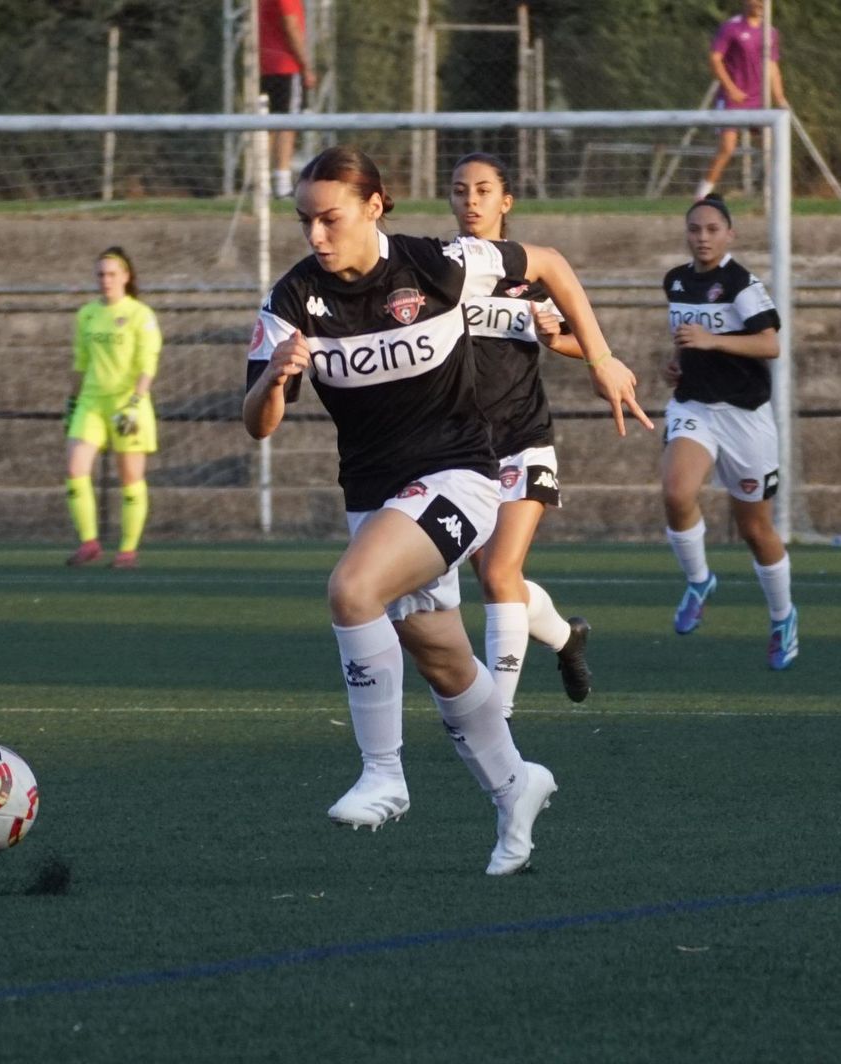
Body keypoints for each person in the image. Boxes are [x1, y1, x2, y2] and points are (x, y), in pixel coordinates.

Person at [244, 146, 650, 875]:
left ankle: (384, 775)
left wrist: (601, 359)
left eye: (330, 218)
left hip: (459, 475)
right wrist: (274, 380)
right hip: (373, 495)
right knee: (442, 659)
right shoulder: (291, 300)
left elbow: (551, 263)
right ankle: (516, 786)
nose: (315, 235)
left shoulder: (440, 264)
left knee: (352, 590)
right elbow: (258, 424)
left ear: (374, 207)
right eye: (304, 220)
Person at [448, 152, 594, 718]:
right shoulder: (441, 274)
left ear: (505, 201)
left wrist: (556, 338)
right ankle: (566, 638)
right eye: (460, 190)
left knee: (499, 574)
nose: (471, 200)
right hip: (461, 450)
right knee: (498, 579)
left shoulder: (529, 275)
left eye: (483, 190)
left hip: (523, 438)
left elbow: (585, 340)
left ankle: (498, 713)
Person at [660, 194, 796, 670]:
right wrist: (676, 364)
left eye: (712, 229)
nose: (702, 237)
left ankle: (782, 617)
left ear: (729, 234)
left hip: (745, 417)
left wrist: (711, 340)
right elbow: (685, 339)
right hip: (695, 407)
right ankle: (699, 581)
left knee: (754, 529)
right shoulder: (676, 281)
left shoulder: (741, 285)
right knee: (676, 492)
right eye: (695, 229)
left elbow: (770, 344)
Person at [65, 247, 161, 569]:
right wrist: (72, 401)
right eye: (100, 274)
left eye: (111, 274)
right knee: (75, 469)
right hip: (91, 402)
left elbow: (147, 364)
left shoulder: (140, 315)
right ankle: (89, 543)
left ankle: (127, 550)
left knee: (130, 477)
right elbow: (80, 362)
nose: (105, 280)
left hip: (127, 404)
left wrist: (135, 402)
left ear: (126, 277)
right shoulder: (87, 314)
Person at [696, 0, 788, 202]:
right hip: (732, 99)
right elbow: (715, 59)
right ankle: (701, 194)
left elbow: (773, 66)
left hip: (758, 100)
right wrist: (731, 89)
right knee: (727, 147)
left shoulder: (770, 32)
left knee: (772, 145)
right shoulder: (731, 27)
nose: (759, 4)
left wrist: (779, 97)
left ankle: (773, 196)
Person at [259, 0, 317, 199]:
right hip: (285, 66)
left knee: (267, 125)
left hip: (264, 65)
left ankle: (263, 181)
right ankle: (281, 183)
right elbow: (291, 26)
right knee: (287, 124)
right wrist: (305, 65)